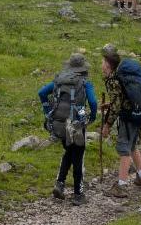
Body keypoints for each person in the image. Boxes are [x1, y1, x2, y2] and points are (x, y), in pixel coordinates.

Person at [38, 52, 99, 204]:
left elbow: (42, 93)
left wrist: (48, 112)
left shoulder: (59, 80)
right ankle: (78, 194)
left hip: (59, 123)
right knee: (77, 156)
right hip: (76, 125)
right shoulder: (85, 82)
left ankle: (60, 183)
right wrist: (91, 118)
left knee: (68, 152)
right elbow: (93, 102)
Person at [100, 44, 141, 194]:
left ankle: (121, 185)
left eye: (102, 62)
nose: (101, 66)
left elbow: (117, 105)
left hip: (127, 117)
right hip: (136, 114)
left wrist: (107, 124)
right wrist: (110, 104)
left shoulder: (113, 80)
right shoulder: (121, 77)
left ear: (107, 64)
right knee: (132, 147)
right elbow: (121, 98)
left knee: (124, 148)